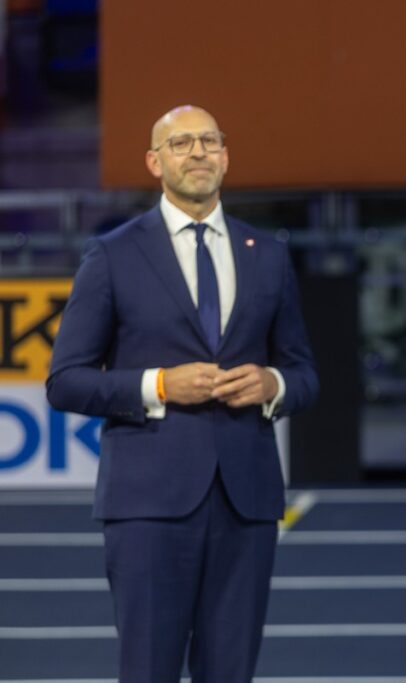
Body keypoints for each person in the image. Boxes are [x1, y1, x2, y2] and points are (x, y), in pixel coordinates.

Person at [47, 105, 318, 683]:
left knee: (231, 673)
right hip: (147, 505)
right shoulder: (113, 254)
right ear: (154, 161)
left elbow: (303, 373)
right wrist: (160, 385)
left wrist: (273, 385)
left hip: (246, 501)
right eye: (181, 143)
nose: (198, 152)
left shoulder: (267, 254)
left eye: (209, 141)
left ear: (226, 155)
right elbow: (65, 380)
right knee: (148, 671)